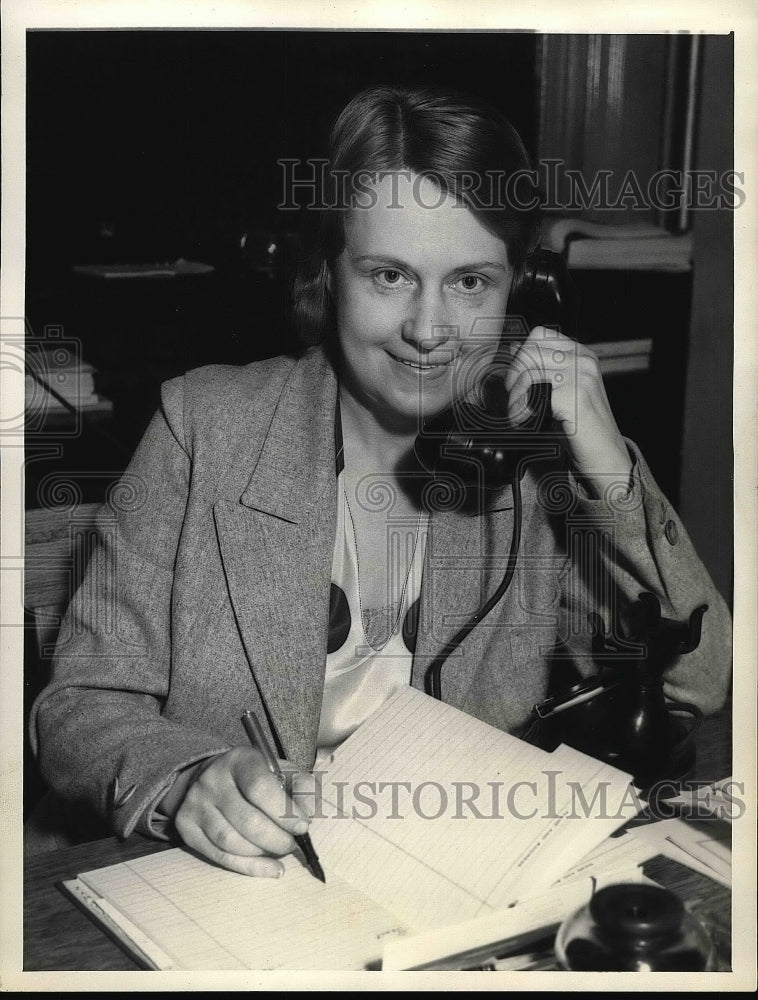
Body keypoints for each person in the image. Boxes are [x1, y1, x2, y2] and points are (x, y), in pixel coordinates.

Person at [29, 85, 731, 875]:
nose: (429, 330)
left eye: (471, 283)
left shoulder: (530, 468)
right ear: (328, 272)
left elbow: (697, 679)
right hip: (227, 883)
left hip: (437, 882)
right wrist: (189, 778)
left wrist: (608, 466)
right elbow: (80, 705)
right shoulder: (202, 428)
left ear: (521, 291)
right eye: (389, 275)